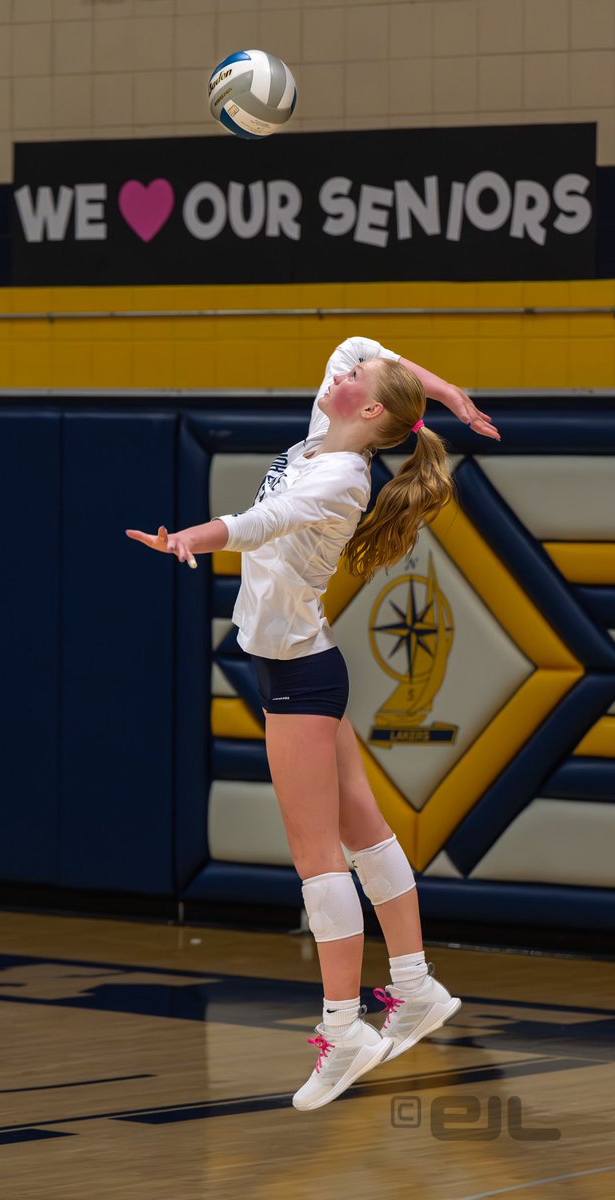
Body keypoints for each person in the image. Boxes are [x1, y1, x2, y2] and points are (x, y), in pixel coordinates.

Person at [127, 336, 501, 1112]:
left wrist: (192, 537)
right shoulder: (327, 428)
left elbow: (261, 522)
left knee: (318, 858)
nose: (342, 369)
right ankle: (415, 988)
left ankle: (343, 1027)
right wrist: (446, 392)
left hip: (299, 676)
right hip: (306, 664)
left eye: (355, 377)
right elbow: (362, 346)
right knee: (362, 831)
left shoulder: (339, 477)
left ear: (369, 409)